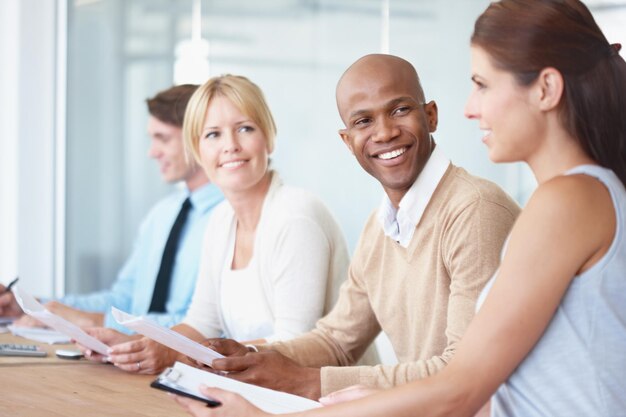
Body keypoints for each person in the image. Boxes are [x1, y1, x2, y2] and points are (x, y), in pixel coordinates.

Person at [173, 1, 626, 416]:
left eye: (482, 85)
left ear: (546, 88)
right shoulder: (569, 198)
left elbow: (460, 386)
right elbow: (347, 341)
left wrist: (299, 394)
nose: (470, 108)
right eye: (364, 121)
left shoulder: (556, 203)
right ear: (346, 139)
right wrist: (262, 361)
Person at [174, 54, 519, 401]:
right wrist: (253, 359)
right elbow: (336, 340)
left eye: (400, 110)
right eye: (364, 121)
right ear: (347, 140)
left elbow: (461, 371)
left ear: (430, 116)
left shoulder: (475, 210)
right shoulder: (380, 227)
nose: (384, 132)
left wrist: (306, 381)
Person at [79, 74, 351, 375]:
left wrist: (176, 354)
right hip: (252, 387)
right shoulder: (221, 220)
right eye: (213, 135)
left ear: (269, 138)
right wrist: (140, 345)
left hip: (320, 398)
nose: (230, 145)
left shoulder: (296, 214)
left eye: (245, 129)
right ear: (197, 151)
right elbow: (201, 323)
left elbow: (294, 343)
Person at [0, 84, 224, 333]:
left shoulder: (231, 216)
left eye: (163, 138)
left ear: (200, 137)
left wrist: (96, 321)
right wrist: (33, 308)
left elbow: (208, 327)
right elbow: (123, 300)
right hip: (131, 358)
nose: (152, 152)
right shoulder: (162, 215)